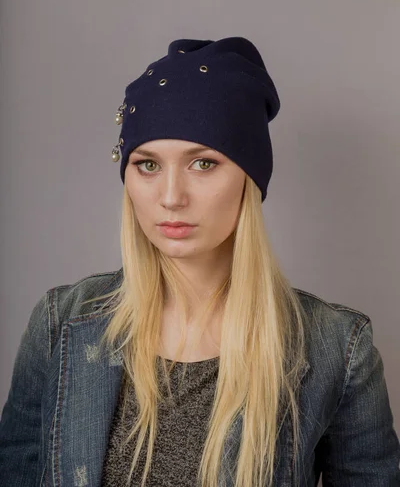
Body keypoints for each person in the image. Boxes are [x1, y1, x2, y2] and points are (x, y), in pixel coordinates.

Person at [0, 37, 399, 487]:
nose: (171, 197)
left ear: (248, 180)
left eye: (203, 164)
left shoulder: (337, 349)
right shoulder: (61, 323)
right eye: (147, 165)